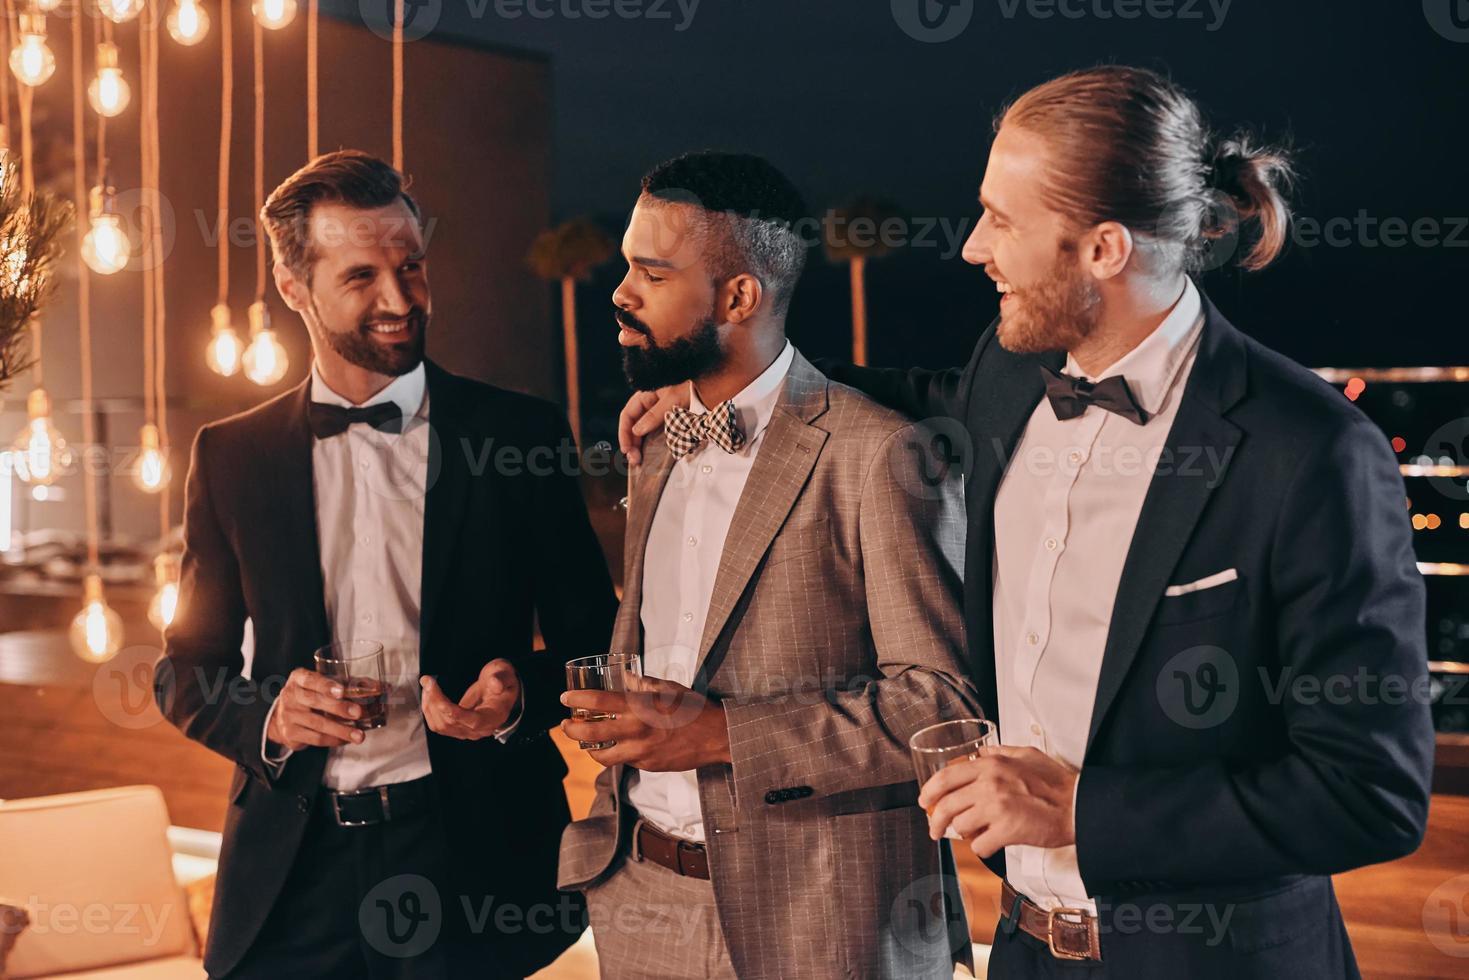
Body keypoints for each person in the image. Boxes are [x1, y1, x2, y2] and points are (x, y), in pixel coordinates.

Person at [617, 69, 1433, 978]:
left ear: (1104, 249)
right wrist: (721, 393)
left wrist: (1082, 812)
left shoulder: (1310, 451)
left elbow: (1370, 794)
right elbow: (909, 401)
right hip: (1021, 949)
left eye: (1000, 220)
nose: (971, 249)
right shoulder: (1005, 379)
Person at [157, 149, 618, 979]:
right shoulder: (229, 456)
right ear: (294, 288)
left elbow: (600, 645)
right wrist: (270, 717)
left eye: (411, 267)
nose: (401, 301)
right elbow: (186, 675)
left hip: (469, 861)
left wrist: (516, 699)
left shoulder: (518, 436)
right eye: (361, 276)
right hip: (294, 873)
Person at [557, 151, 981, 979]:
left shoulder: (878, 454)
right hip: (639, 906)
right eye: (624, 266)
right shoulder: (655, 442)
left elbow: (942, 708)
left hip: (822, 927)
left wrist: (721, 735)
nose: (620, 292)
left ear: (739, 296)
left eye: (650, 271)